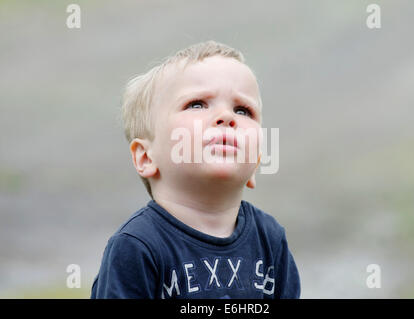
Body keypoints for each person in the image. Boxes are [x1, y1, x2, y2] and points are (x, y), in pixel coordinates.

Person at [91, 41, 300, 299]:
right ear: (146, 157)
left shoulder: (270, 239)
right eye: (197, 104)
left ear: (256, 164)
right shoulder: (137, 247)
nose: (226, 117)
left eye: (243, 110)